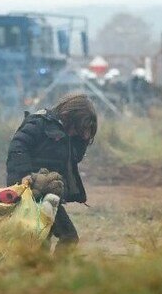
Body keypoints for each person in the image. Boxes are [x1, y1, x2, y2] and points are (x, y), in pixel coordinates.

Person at [6, 93, 97, 254]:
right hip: (33, 193)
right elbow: (18, 146)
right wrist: (24, 174)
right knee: (65, 237)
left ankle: (44, 273)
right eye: (79, 127)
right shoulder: (40, 123)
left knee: (48, 239)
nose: (79, 132)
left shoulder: (69, 138)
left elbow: (74, 157)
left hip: (51, 196)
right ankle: (47, 274)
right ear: (70, 117)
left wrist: (82, 139)